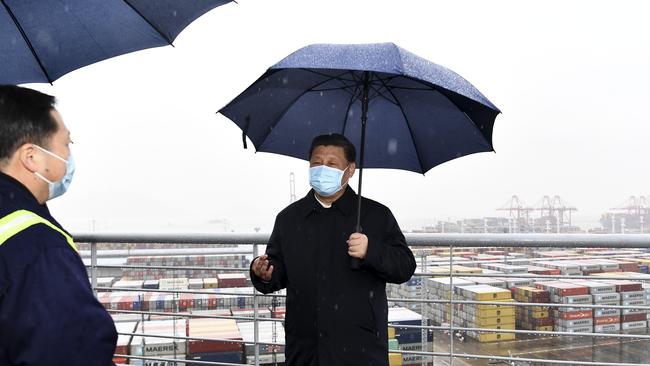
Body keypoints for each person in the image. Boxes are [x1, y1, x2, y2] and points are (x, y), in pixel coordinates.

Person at [250, 133, 416, 366]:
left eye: (331, 164)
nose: (322, 169)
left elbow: (405, 267)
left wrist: (371, 251)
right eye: (317, 163)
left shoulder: (376, 215)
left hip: (360, 349)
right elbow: (277, 272)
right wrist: (263, 274)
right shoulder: (289, 218)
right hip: (305, 348)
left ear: (350, 170)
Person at [0, 85, 117, 365]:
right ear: (31, 157)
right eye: (66, 144)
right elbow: (74, 350)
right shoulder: (39, 249)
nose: (69, 156)